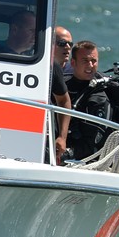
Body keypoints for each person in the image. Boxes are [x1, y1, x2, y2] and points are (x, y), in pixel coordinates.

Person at [63, 40, 119, 161]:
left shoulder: (99, 96)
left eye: (93, 61)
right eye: (85, 61)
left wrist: (66, 153)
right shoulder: (63, 85)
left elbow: (92, 145)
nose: (90, 65)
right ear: (73, 63)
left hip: (89, 158)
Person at [50, 26, 74, 161]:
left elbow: (64, 101)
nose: (67, 47)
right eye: (62, 43)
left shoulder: (76, 73)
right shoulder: (44, 66)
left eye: (70, 44)